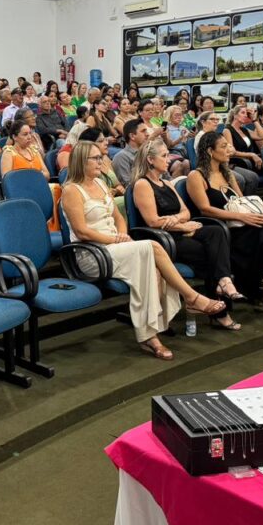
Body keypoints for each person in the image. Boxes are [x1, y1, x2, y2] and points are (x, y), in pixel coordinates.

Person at [61, 140, 226, 360]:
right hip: (92, 253)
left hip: (115, 246)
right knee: (154, 247)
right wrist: (114, 239)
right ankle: (191, 298)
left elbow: (118, 217)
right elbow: (82, 232)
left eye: (101, 157)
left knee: (153, 268)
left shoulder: (100, 184)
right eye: (96, 158)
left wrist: (122, 235)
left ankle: (150, 336)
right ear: (82, 161)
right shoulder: (72, 190)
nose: (102, 161)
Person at [131, 139, 243, 329]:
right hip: (163, 240)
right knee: (212, 253)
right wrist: (181, 226)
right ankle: (220, 307)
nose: (169, 159)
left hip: (176, 232)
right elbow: (152, 221)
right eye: (164, 155)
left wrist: (176, 219)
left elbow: (186, 212)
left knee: (216, 232)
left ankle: (222, 283)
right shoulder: (142, 184)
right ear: (150, 160)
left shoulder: (167, 182)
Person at [187, 132, 263, 315]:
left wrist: (260, 208)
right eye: (224, 147)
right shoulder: (196, 176)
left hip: (238, 223)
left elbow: (242, 201)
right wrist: (241, 217)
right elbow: (205, 209)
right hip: (220, 227)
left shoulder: (227, 173)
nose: (229, 150)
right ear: (210, 151)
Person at [114, 118, 149, 187]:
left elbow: (166, 177)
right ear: (132, 136)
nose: (147, 134)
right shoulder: (121, 157)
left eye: (146, 131)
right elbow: (128, 185)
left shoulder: (149, 152)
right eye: (143, 131)